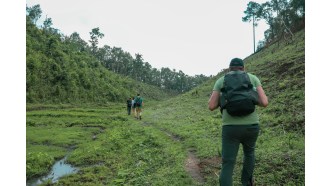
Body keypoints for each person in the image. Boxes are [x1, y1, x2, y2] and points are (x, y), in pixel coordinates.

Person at [208, 58, 268, 186]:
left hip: (230, 128)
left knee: (228, 162)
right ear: (243, 68)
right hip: (251, 127)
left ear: (229, 69)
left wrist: (225, 98)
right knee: (249, 154)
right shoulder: (253, 78)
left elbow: (211, 106)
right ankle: (246, 183)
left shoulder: (221, 80)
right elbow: (264, 103)